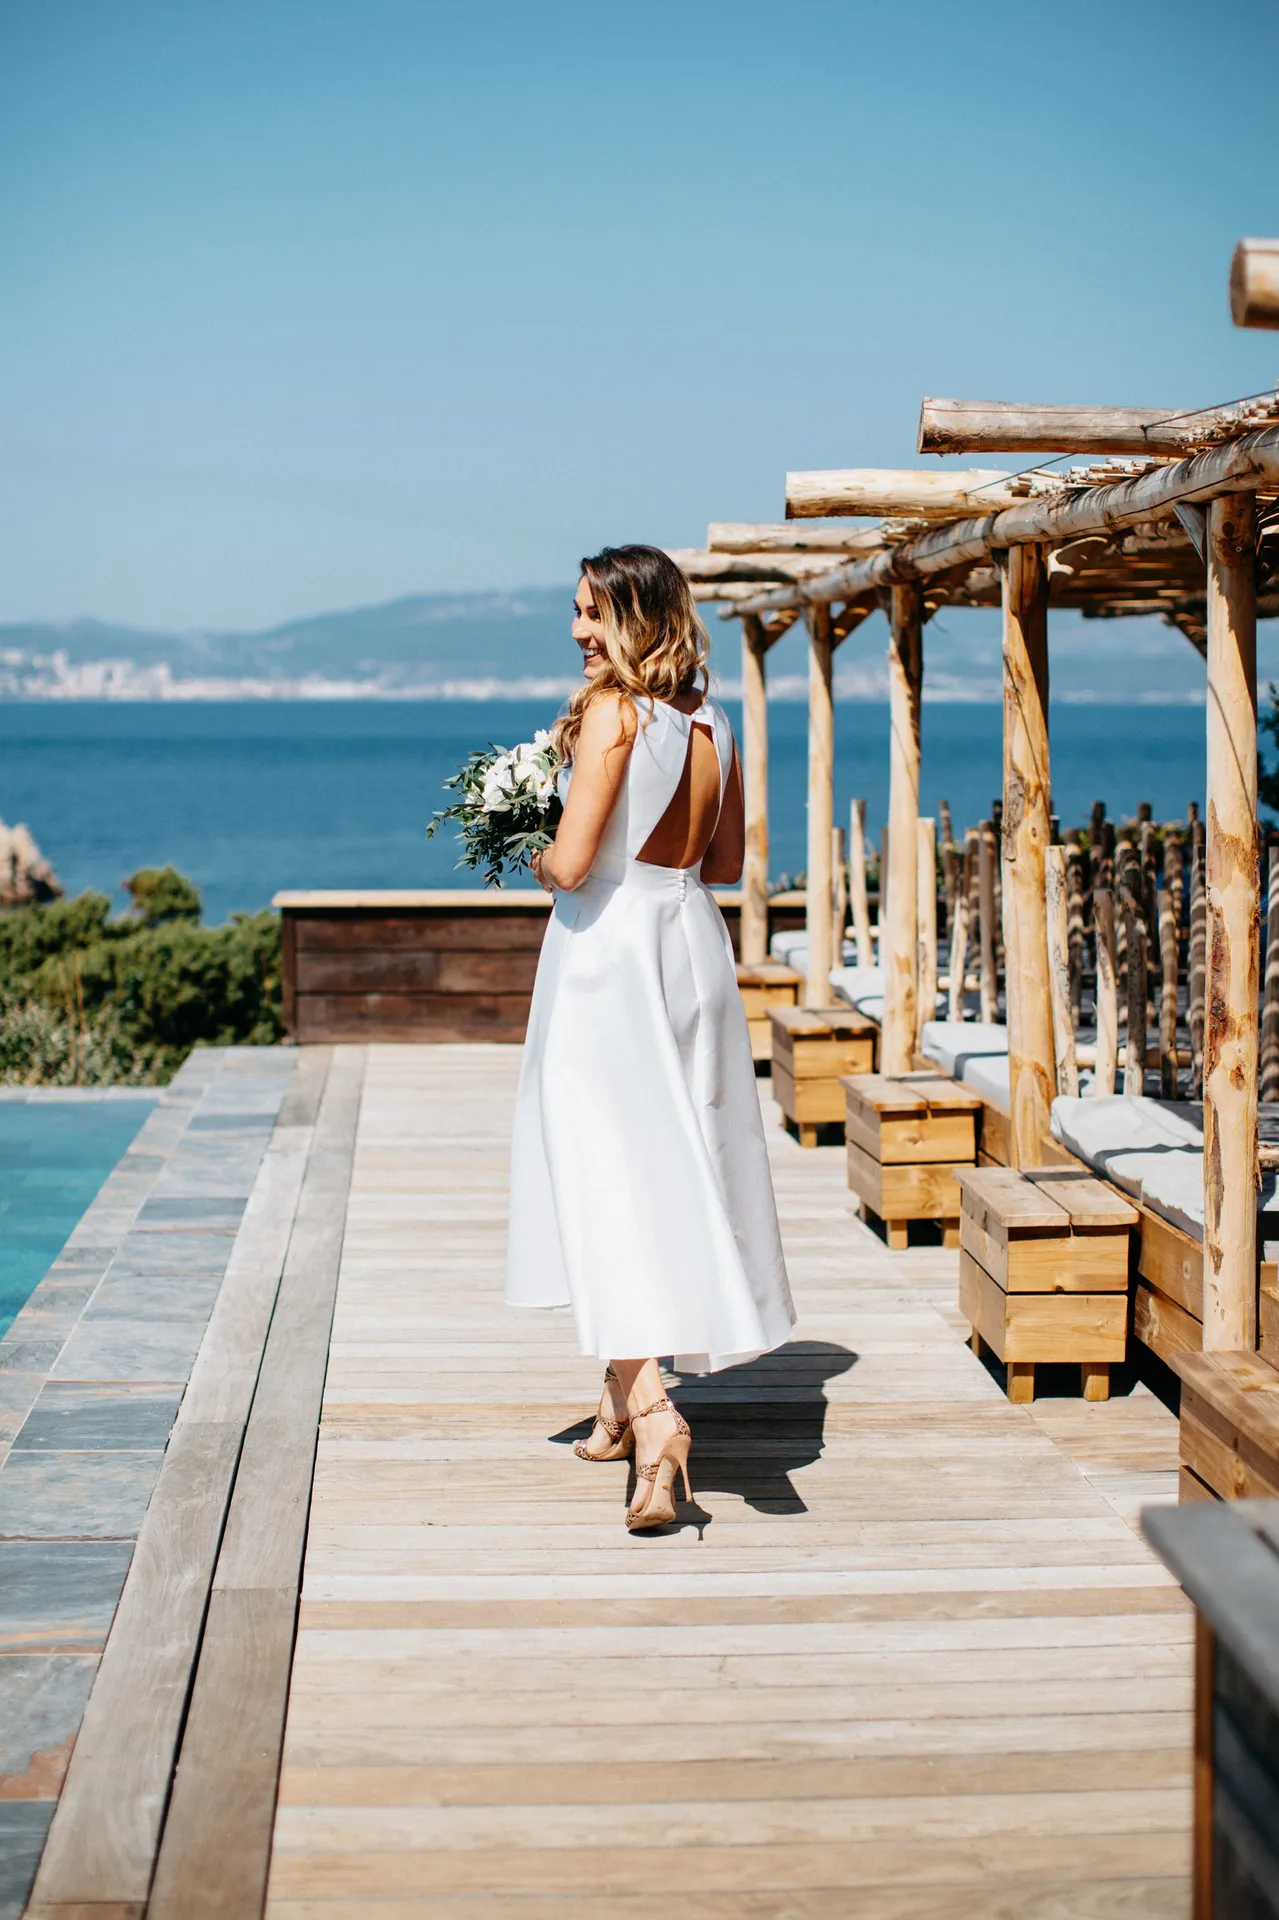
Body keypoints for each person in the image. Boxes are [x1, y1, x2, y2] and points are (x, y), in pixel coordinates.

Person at [506, 544, 795, 1531]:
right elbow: (721, 862)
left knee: (600, 1175)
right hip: (691, 948)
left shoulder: (611, 716)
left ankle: (654, 1417)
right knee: (664, 1166)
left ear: (636, 616)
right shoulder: (714, 722)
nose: (577, 631)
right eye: (575, 612)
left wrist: (529, 843)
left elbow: (574, 862)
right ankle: (613, 1404)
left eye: (592, 613)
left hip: (610, 958)